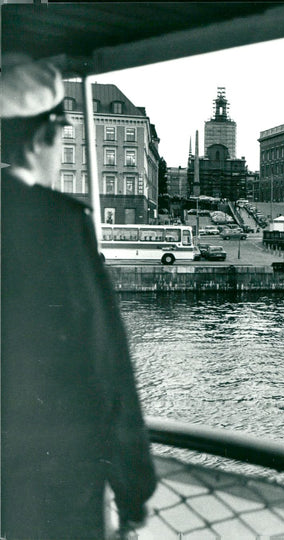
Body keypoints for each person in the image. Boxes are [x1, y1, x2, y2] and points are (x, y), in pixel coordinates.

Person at [0, 54, 157, 538]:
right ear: (45, 136)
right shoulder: (61, 224)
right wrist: (133, 488)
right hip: (49, 488)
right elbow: (105, 361)